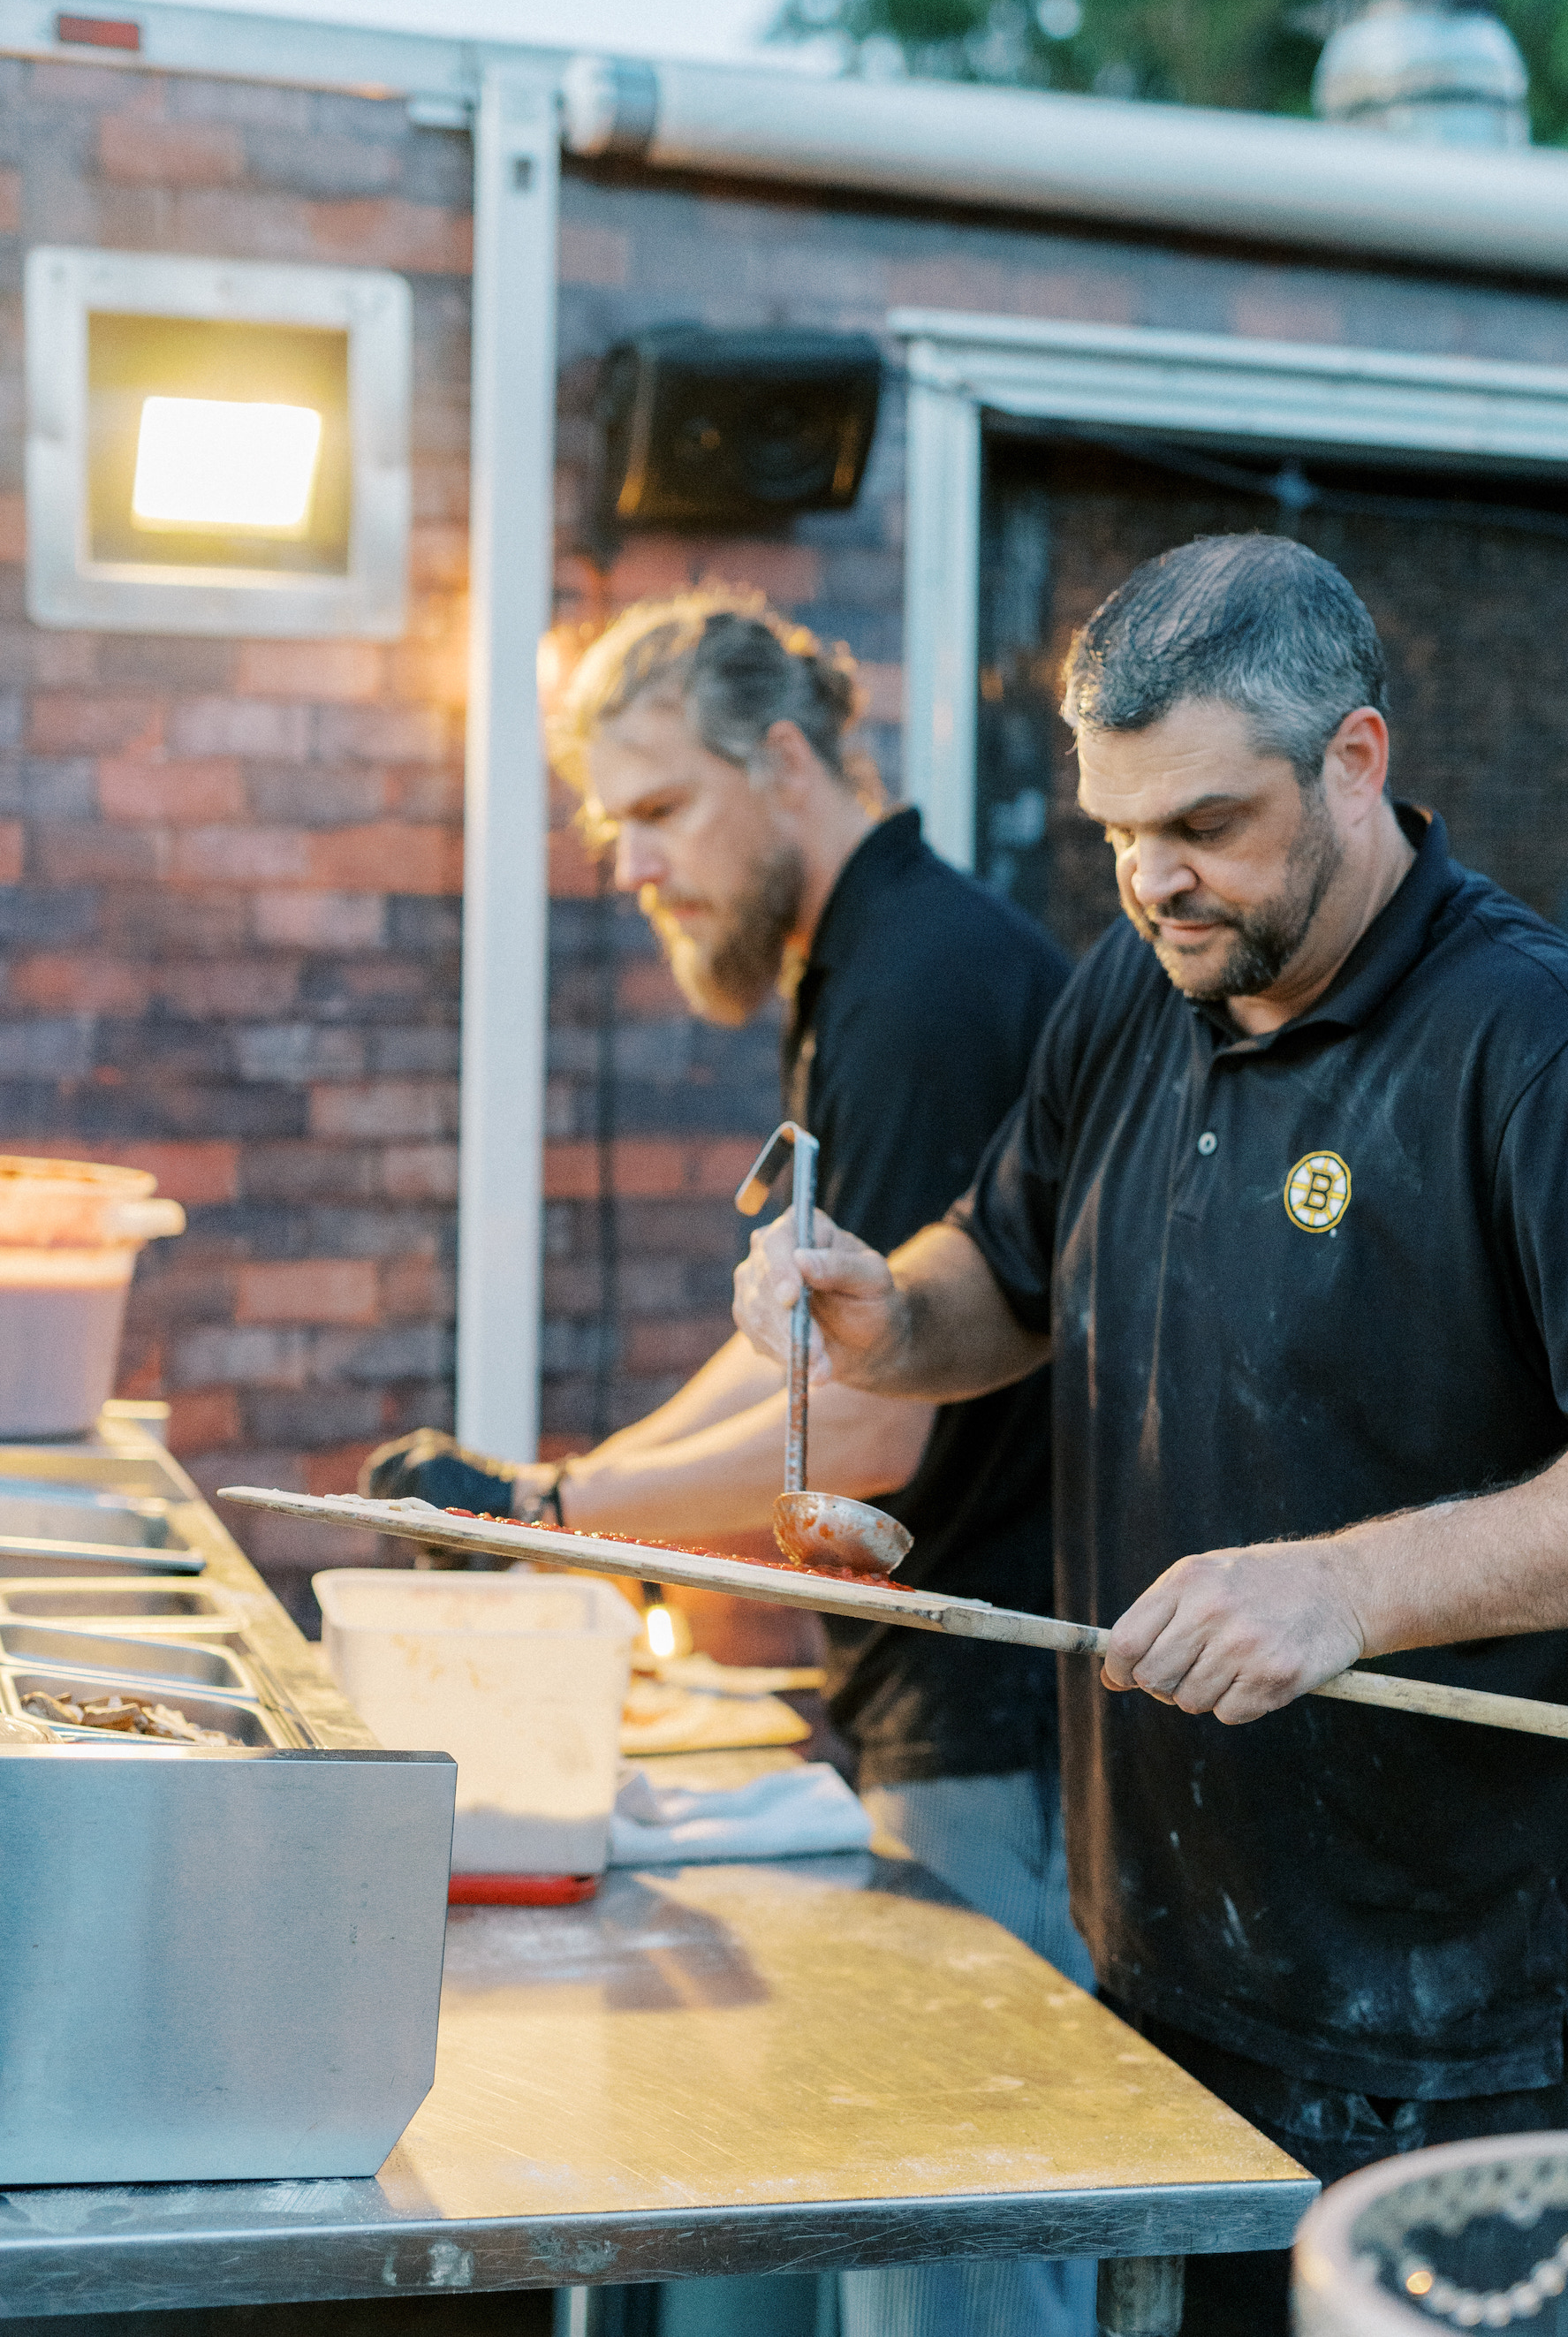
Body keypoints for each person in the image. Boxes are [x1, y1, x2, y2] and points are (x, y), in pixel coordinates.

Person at [731, 534, 1568, 2337]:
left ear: (1354, 759)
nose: (1151, 879)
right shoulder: (1135, 983)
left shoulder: (1542, 1049)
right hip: (1158, 1953)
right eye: (1118, 828)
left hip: (1443, 2030)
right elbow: (1007, 1264)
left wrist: (1347, 1583)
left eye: (1203, 821)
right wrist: (889, 1316)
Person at [364, 594, 1095, 2337]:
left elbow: (858, 1420)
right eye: (611, 822)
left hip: (1006, 1723)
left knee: (960, 2285)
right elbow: (784, 1356)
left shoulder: (921, 985)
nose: (628, 862)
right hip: (934, 1710)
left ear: (782, 762)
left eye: (659, 807)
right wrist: (555, 1484)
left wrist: (546, 1514)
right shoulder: (858, 966)